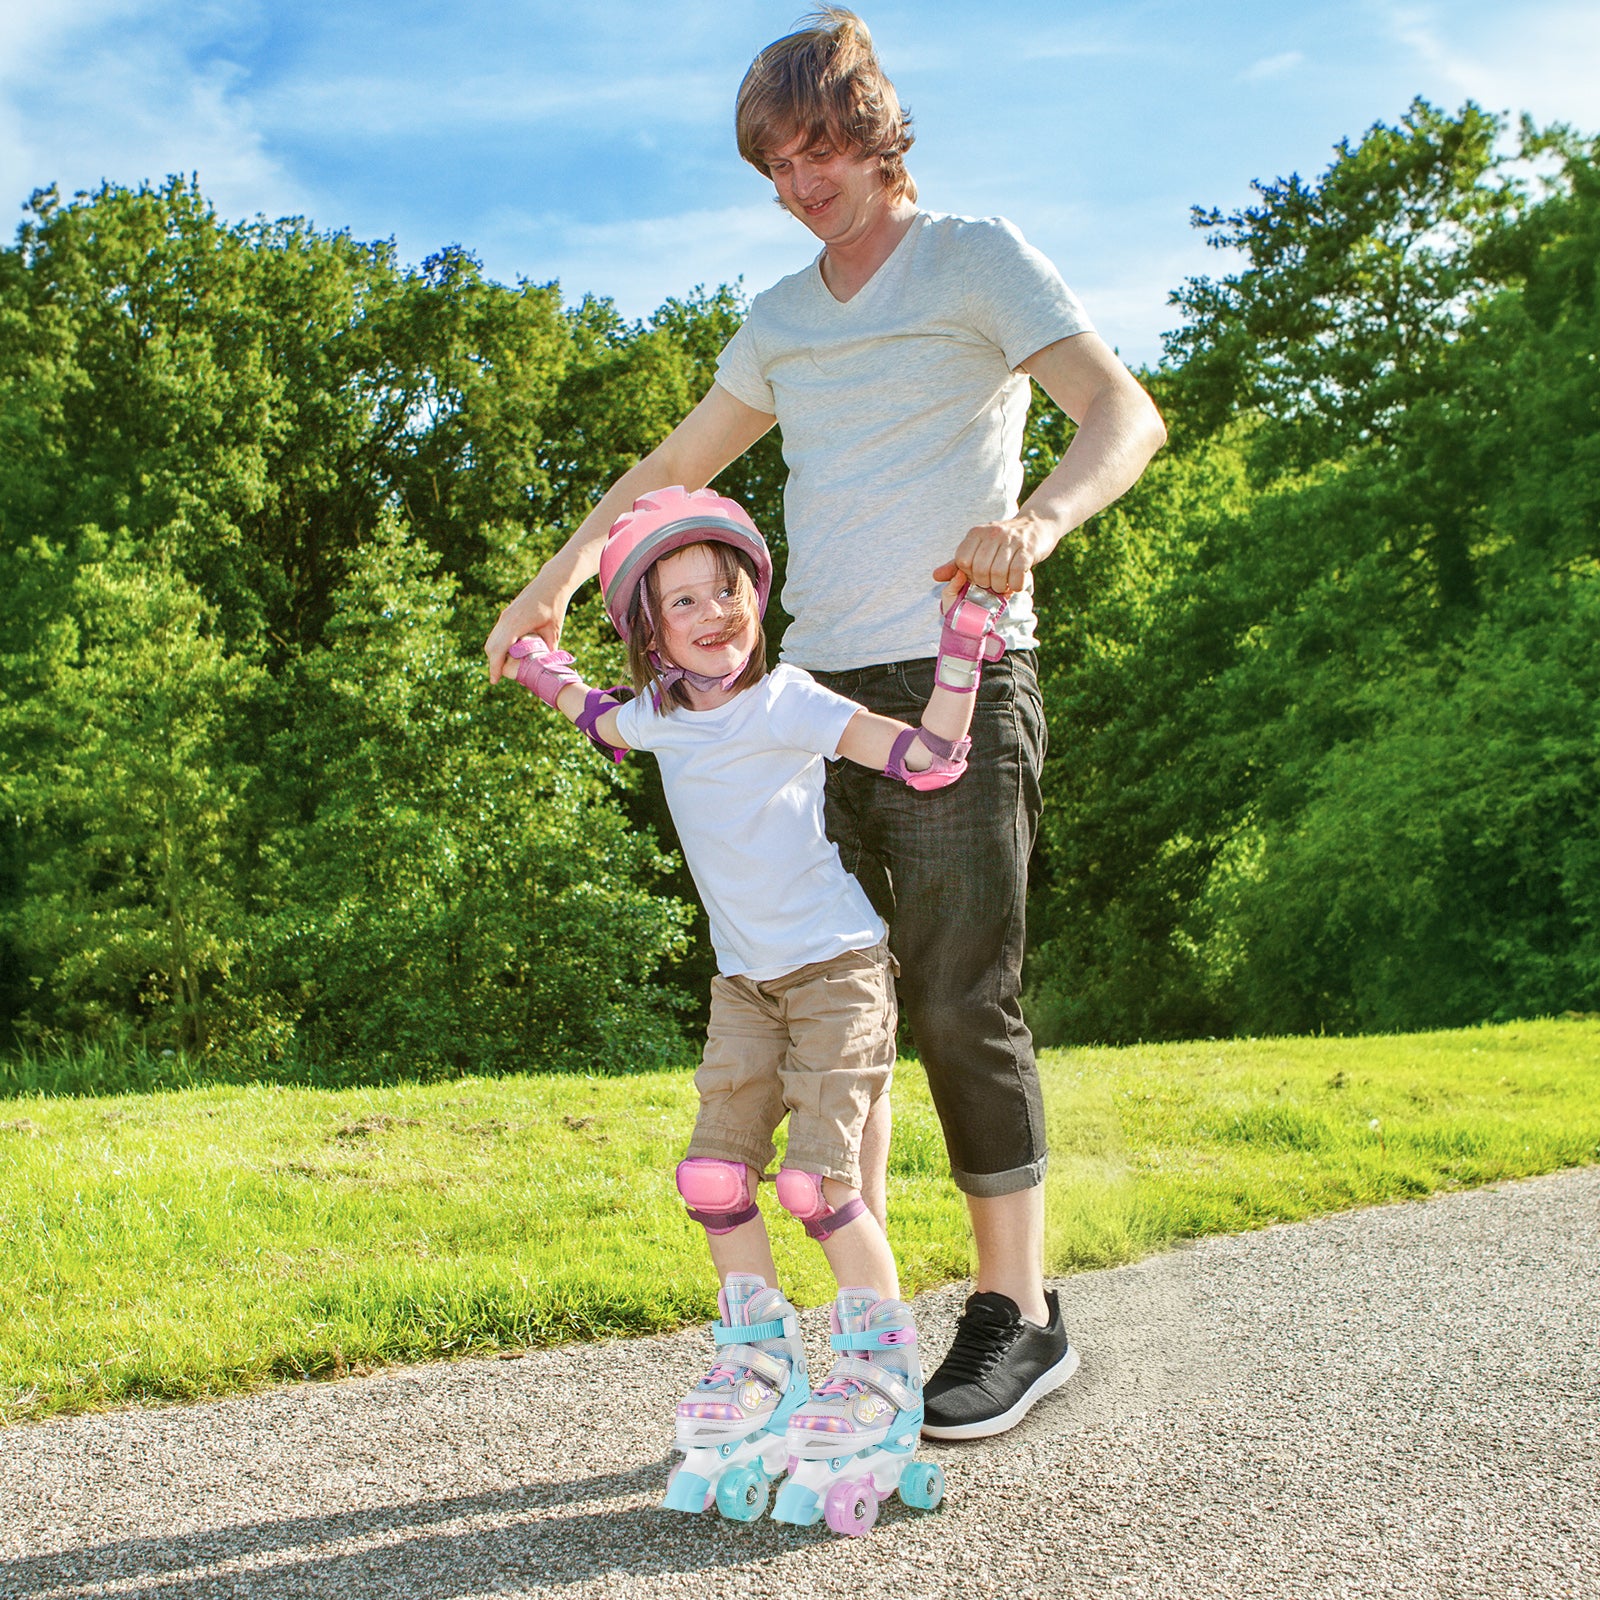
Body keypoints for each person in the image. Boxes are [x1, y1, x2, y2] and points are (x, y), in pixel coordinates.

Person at [485, 8, 1167, 1440]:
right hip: (802, 699)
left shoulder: (975, 256)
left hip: (955, 671)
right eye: (776, 165)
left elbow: (1122, 414)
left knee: (956, 996)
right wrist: (544, 594)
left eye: (821, 152)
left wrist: (1035, 522)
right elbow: (672, 468)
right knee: (818, 997)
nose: (801, 185)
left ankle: (1018, 1317)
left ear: (878, 135)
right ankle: (863, 1312)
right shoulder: (782, 318)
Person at [505, 483, 1007, 1532]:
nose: (712, 612)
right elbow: (583, 707)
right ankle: (759, 1361)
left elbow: (929, 758)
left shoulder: (790, 700)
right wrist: (529, 648)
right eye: (680, 600)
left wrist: (961, 649)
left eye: (724, 587)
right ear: (649, 630)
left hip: (836, 972)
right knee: (710, 1174)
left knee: (815, 1187)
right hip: (746, 986)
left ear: (754, 597)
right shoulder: (652, 718)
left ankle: (876, 1368)